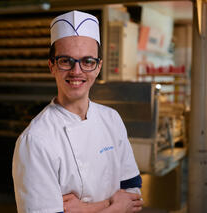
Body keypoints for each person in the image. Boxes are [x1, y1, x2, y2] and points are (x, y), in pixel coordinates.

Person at [12, 10, 143, 213]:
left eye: (87, 61)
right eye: (66, 60)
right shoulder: (36, 140)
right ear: (51, 66)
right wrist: (115, 207)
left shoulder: (111, 119)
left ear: (98, 67)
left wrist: (84, 208)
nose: (76, 71)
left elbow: (133, 197)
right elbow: (125, 205)